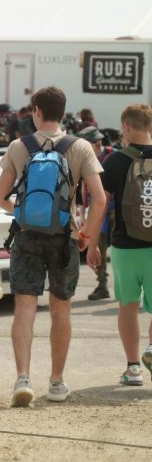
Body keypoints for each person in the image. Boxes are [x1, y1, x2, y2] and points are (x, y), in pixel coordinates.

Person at [0, 87, 105, 408]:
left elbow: (1, 198)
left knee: (25, 307)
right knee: (61, 309)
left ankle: (22, 378)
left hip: (26, 236)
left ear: (37, 111)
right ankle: (56, 381)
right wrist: (86, 234)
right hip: (65, 238)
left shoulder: (19, 146)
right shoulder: (80, 147)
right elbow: (99, 200)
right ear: (63, 113)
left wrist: (24, 212)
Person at [93, 104, 152, 386]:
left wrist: (92, 243)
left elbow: (100, 205)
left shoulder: (115, 161)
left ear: (126, 126)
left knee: (128, 306)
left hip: (125, 248)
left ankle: (133, 369)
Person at [75, 127, 112, 301]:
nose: (97, 145)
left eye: (98, 141)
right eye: (94, 142)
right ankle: (102, 284)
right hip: (97, 211)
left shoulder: (112, 156)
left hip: (116, 209)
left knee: (122, 248)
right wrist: (83, 214)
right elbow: (83, 188)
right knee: (98, 249)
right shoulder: (84, 159)